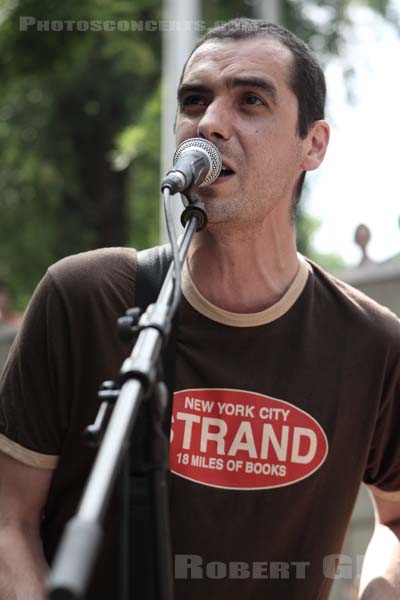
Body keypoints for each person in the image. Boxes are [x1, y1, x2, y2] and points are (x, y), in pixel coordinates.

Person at [0, 17, 399, 600]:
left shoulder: (372, 344)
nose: (211, 122)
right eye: (195, 101)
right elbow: (9, 519)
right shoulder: (83, 298)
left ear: (312, 145)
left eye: (251, 100)